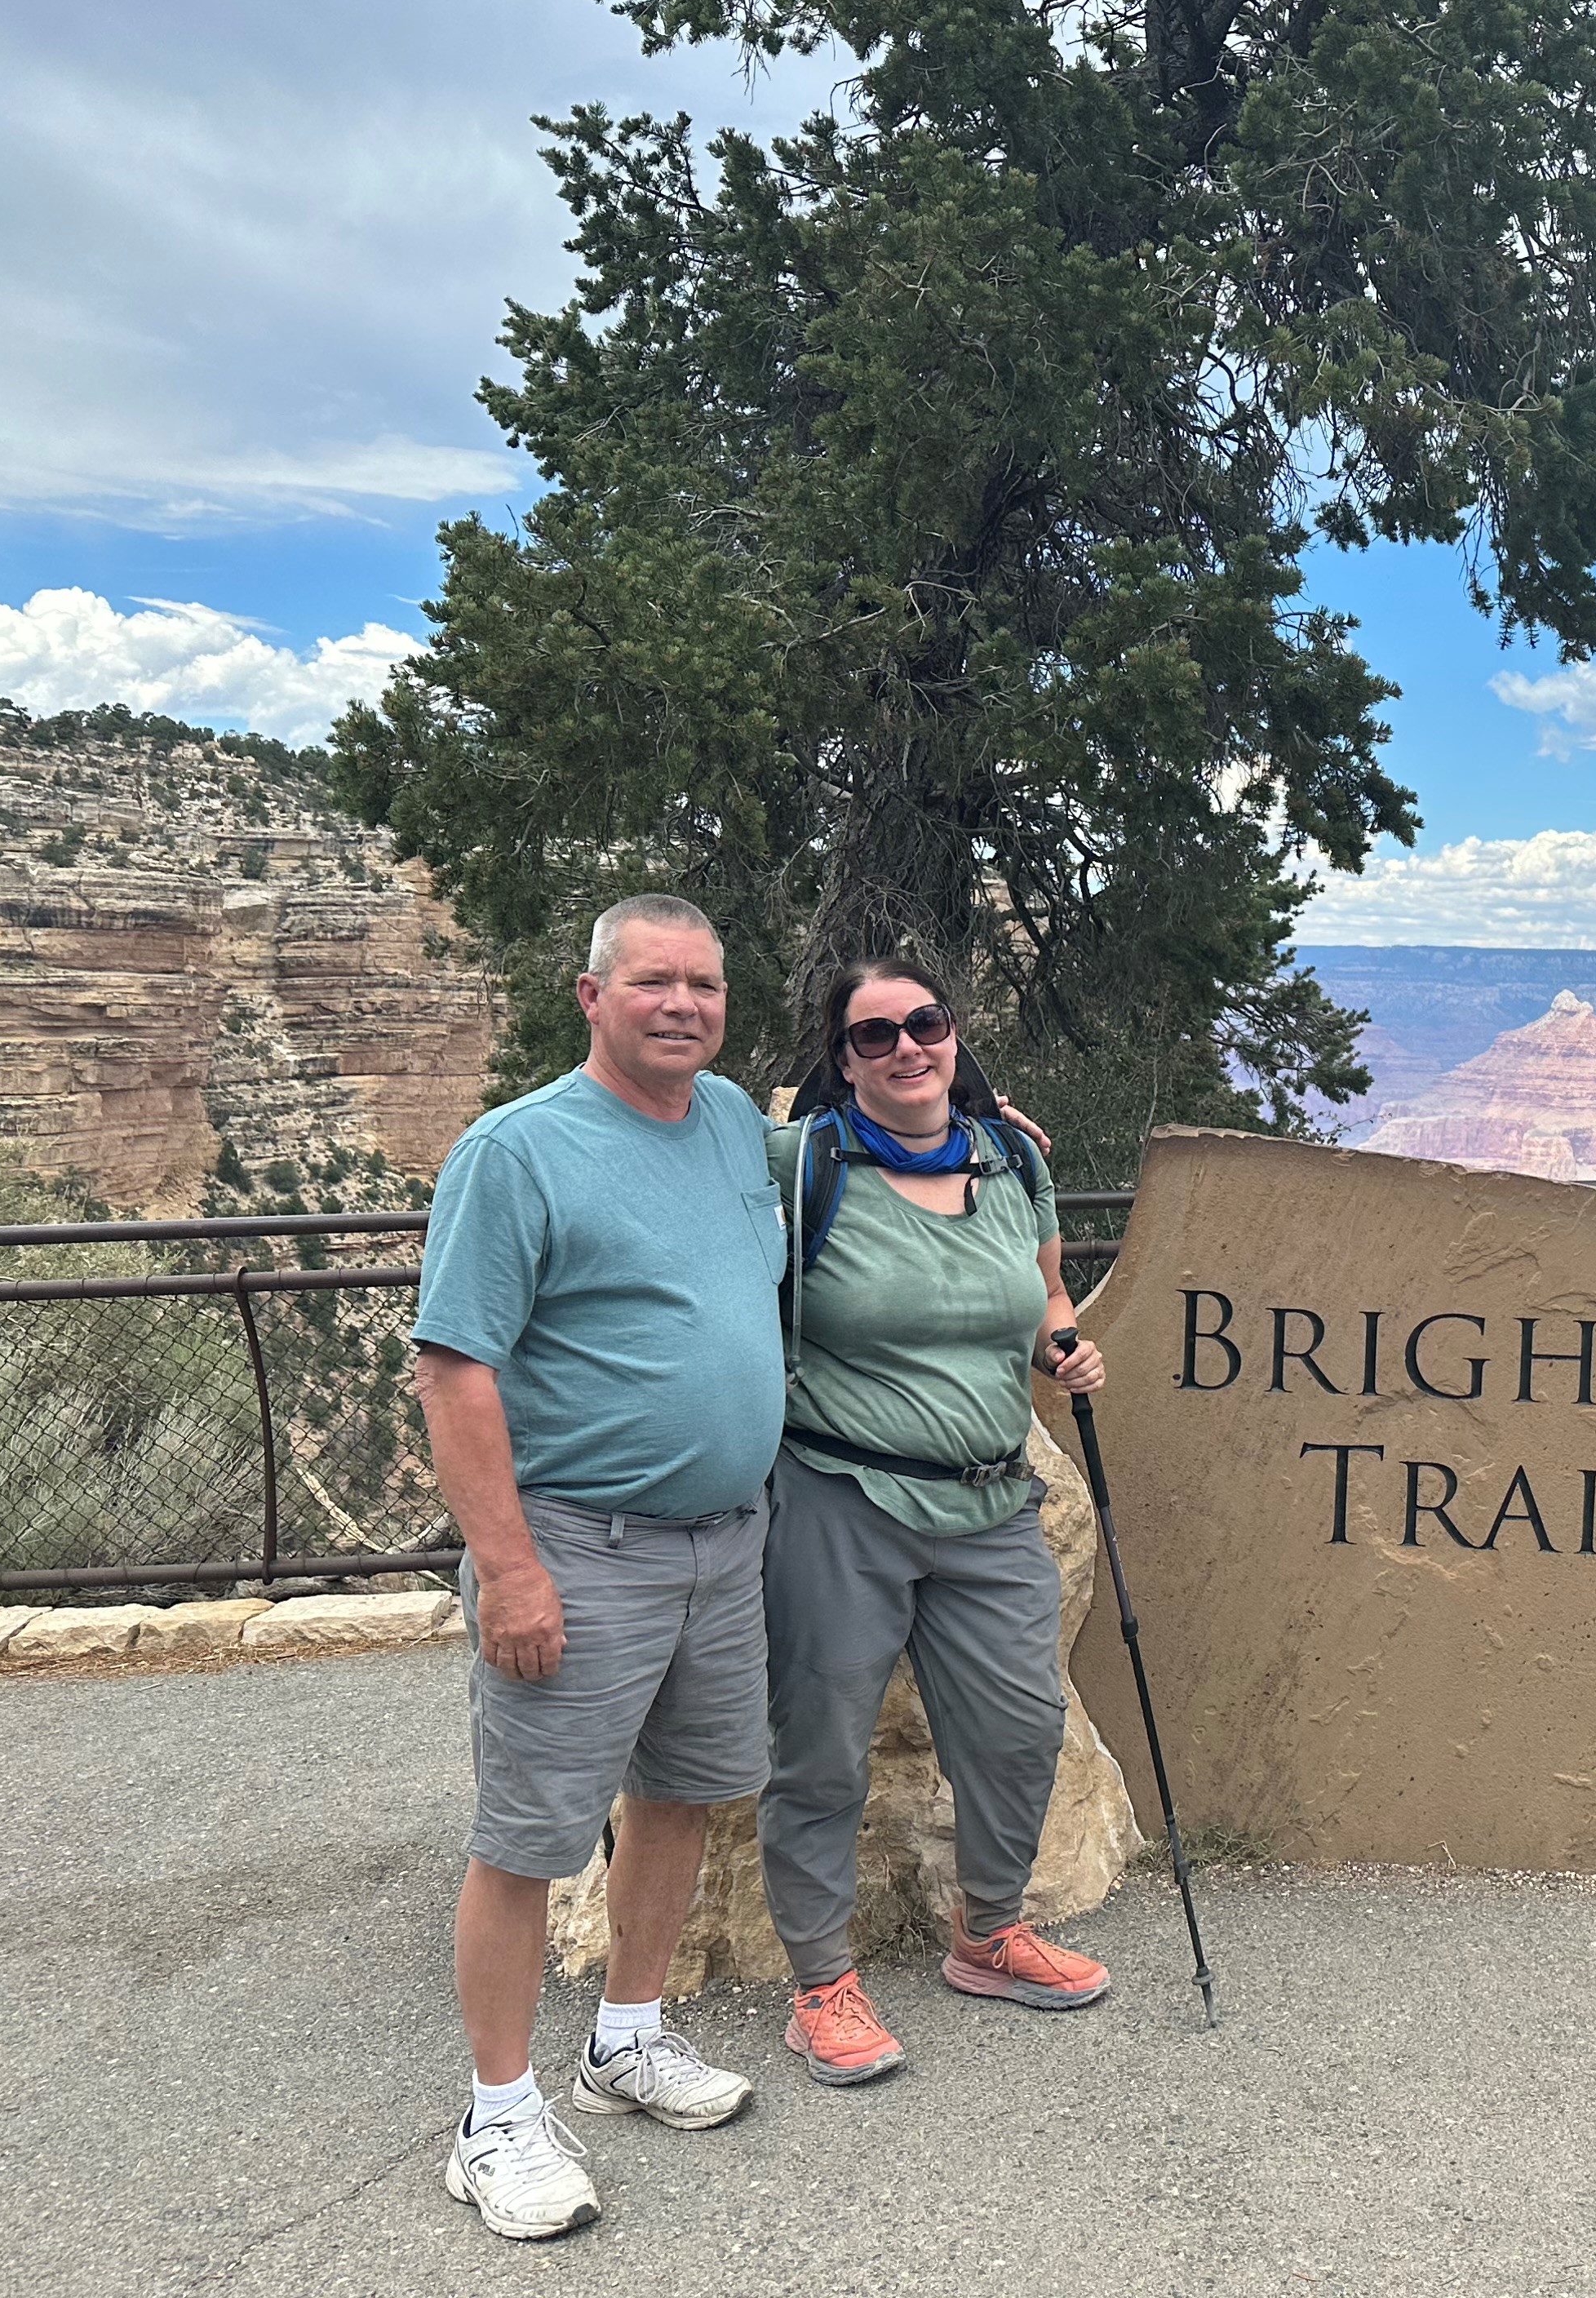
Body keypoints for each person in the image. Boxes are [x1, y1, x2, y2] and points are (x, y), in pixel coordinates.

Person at [410, 895, 787, 2241]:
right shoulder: (519, 1153)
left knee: (683, 1795)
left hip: (726, 1543)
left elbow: (855, 1160)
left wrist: (985, 1129)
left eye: (704, 983)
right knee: (526, 1838)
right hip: (582, 1546)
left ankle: (626, 2038)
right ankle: (495, 2119)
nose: (682, 1004)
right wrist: (506, 1569)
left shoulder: (737, 1122)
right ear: (592, 996)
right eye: (653, 983)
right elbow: (455, 1367)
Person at [753, 953, 1111, 2087]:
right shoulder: (798, 1163)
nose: (907, 1047)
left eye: (926, 1023)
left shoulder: (1009, 1160)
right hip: (837, 1496)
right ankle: (821, 1984)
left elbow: (1045, 1290)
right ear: (840, 1058)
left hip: (992, 1500)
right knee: (820, 1750)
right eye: (874, 1036)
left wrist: (1064, 1341)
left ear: (956, 1032)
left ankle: (990, 1932)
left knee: (1017, 1729)